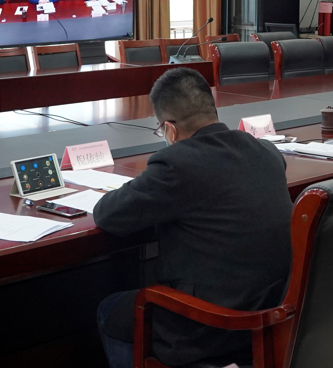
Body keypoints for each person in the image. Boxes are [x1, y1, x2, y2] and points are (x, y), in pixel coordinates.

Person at [94, 68, 293, 368]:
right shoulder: (265, 150)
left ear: (169, 130)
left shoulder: (177, 164)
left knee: (111, 310)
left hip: (211, 325)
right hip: (272, 315)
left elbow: (108, 214)